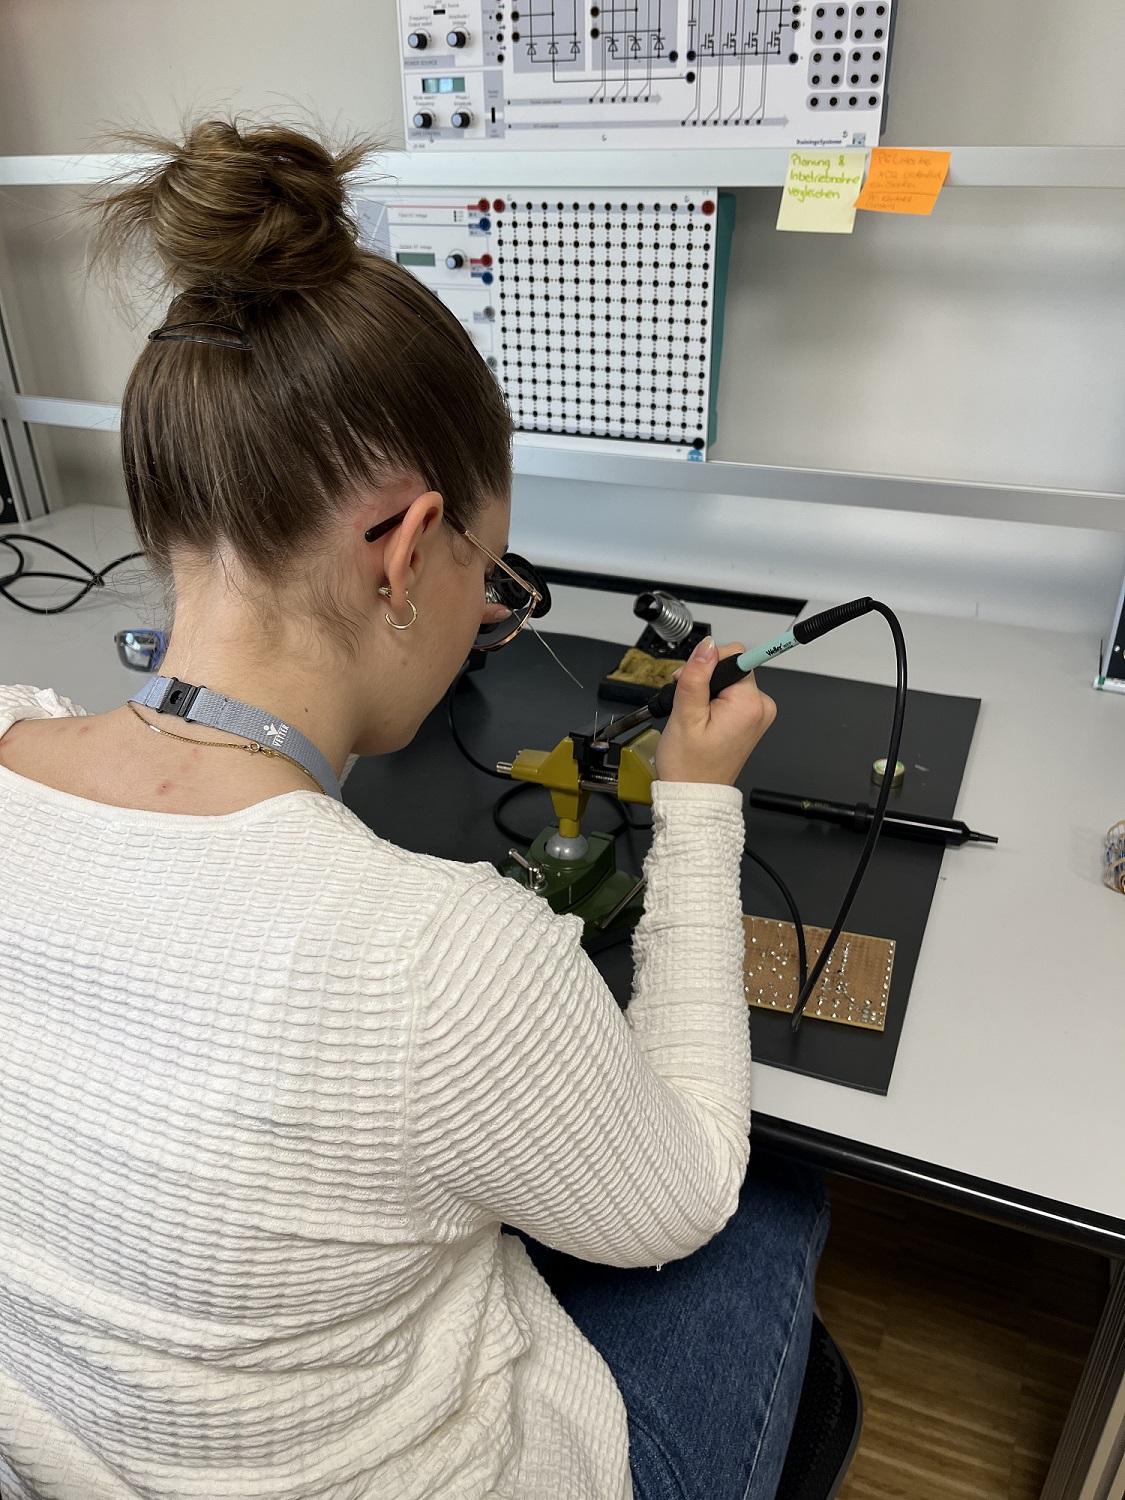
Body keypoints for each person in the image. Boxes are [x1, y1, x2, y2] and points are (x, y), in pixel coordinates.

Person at [0, 119, 827, 1500]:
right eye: (489, 577)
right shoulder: (442, 965)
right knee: (770, 1197)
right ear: (403, 551)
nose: (484, 615)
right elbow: (681, 1193)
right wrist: (694, 805)